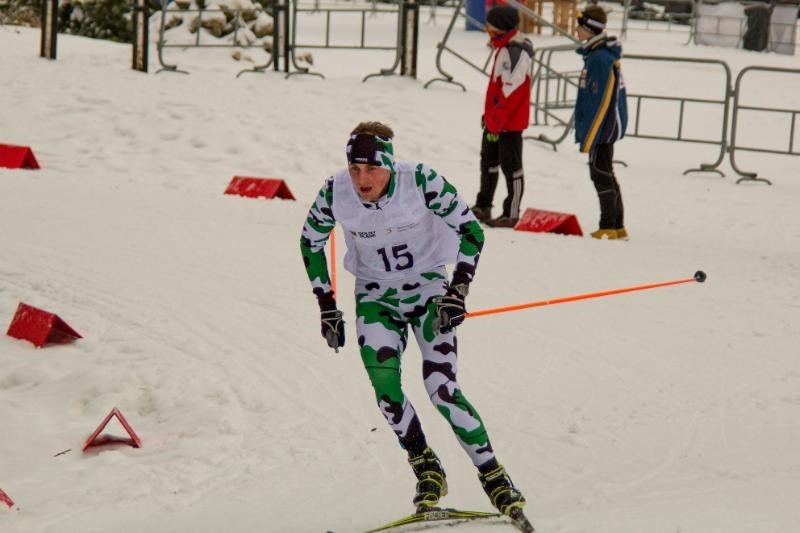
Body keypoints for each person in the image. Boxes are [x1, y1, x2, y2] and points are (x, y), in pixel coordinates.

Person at [300, 121, 529, 521]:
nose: (361, 179)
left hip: (428, 291)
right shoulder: (335, 190)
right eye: (354, 169)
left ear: (389, 165)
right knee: (385, 385)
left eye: (371, 169)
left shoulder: (420, 180)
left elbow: (472, 231)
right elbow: (310, 240)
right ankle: (425, 465)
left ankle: (493, 475)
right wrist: (327, 305)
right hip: (375, 296)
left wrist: (458, 291)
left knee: (441, 387)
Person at [471, 6, 534, 228]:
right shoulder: (503, 48)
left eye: (491, 27)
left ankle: (511, 212)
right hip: (495, 122)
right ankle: (484, 205)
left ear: (502, 28)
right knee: (488, 162)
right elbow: (497, 91)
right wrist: (488, 118)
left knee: (511, 167)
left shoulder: (515, 52)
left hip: (509, 125)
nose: (488, 31)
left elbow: (510, 93)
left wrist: (496, 122)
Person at [574, 5, 629, 240]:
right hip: (604, 127)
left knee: (600, 172)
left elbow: (601, 101)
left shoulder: (599, 59)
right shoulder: (597, 55)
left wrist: (591, 134)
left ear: (590, 29)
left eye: (580, 26)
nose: (576, 30)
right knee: (606, 171)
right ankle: (616, 224)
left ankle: (608, 224)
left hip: (603, 128)